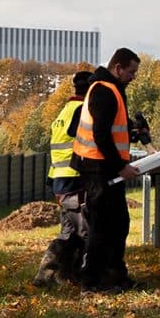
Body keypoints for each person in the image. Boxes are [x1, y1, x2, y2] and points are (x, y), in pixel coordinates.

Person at [69, 48, 142, 292]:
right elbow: (101, 135)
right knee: (102, 227)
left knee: (118, 224)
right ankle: (92, 281)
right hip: (98, 169)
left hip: (102, 167)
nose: (133, 77)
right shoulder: (104, 90)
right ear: (118, 68)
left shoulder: (110, 89)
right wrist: (121, 166)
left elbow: (112, 129)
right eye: (131, 72)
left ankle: (115, 276)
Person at [34, 70, 94, 289]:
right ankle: (78, 276)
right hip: (74, 178)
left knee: (70, 231)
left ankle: (55, 276)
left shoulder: (64, 111)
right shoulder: (81, 110)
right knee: (85, 231)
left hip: (60, 179)